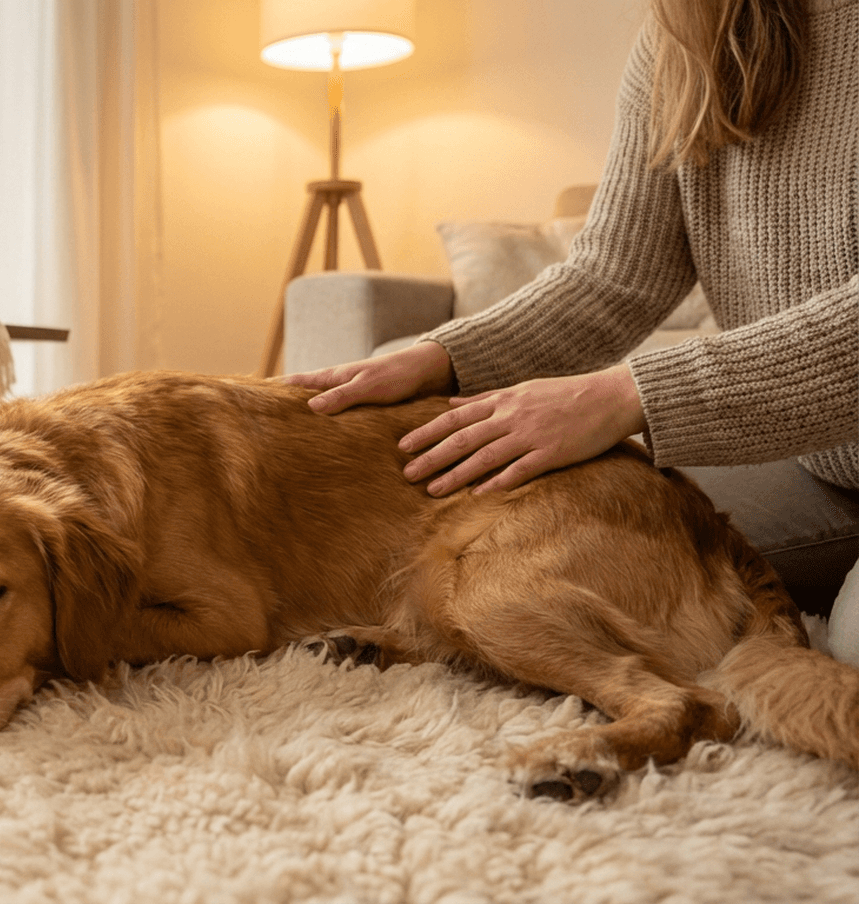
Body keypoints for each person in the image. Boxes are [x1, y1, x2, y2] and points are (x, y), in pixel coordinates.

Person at [284, 0, 859, 664]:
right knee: (495, 543)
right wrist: (441, 357)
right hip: (818, 465)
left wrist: (622, 397)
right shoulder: (692, 31)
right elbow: (615, 277)